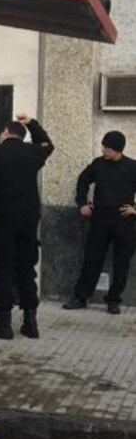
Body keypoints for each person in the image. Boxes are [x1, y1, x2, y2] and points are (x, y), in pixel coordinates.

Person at [0, 115, 54, 340]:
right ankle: (30, 322)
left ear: (5, 132)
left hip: (1, 223)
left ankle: (3, 323)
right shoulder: (33, 153)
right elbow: (48, 144)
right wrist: (32, 123)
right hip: (27, 223)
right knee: (25, 270)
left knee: (2, 270)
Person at [63, 131, 136, 314]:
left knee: (121, 263)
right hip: (100, 219)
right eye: (103, 147)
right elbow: (82, 182)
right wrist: (82, 203)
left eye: (107, 148)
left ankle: (113, 300)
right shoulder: (98, 164)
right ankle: (80, 297)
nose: (104, 151)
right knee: (92, 260)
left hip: (124, 221)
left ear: (118, 150)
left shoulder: (132, 167)